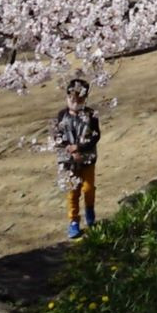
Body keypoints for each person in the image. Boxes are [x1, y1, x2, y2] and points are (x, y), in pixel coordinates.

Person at [51, 78, 102, 240]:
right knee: (72, 191)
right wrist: (70, 149)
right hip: (68, 161)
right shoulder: (62, 115)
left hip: (87, 158)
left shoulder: (91, 115)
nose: (75, 103)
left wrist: (80, 147)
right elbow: (58, 136)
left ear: (85, 99)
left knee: (88, 188)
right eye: (71, 99)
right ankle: (73, 220)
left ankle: (89, 210)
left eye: (79, 100)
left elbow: (95, 136)